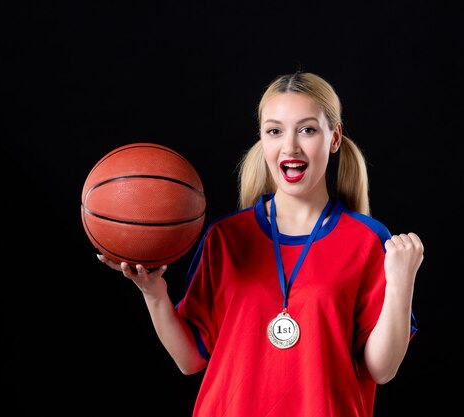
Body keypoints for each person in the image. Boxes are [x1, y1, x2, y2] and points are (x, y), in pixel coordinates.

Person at [97, 71, 424, 416]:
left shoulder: (369, 241)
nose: (290, 146)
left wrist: (402, 283)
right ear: (262, 140)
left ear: (335, 137)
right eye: (274, 131)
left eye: (307, 129)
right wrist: (153, 294)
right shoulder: (226, 238)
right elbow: (190, 359)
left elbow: (381, 369)